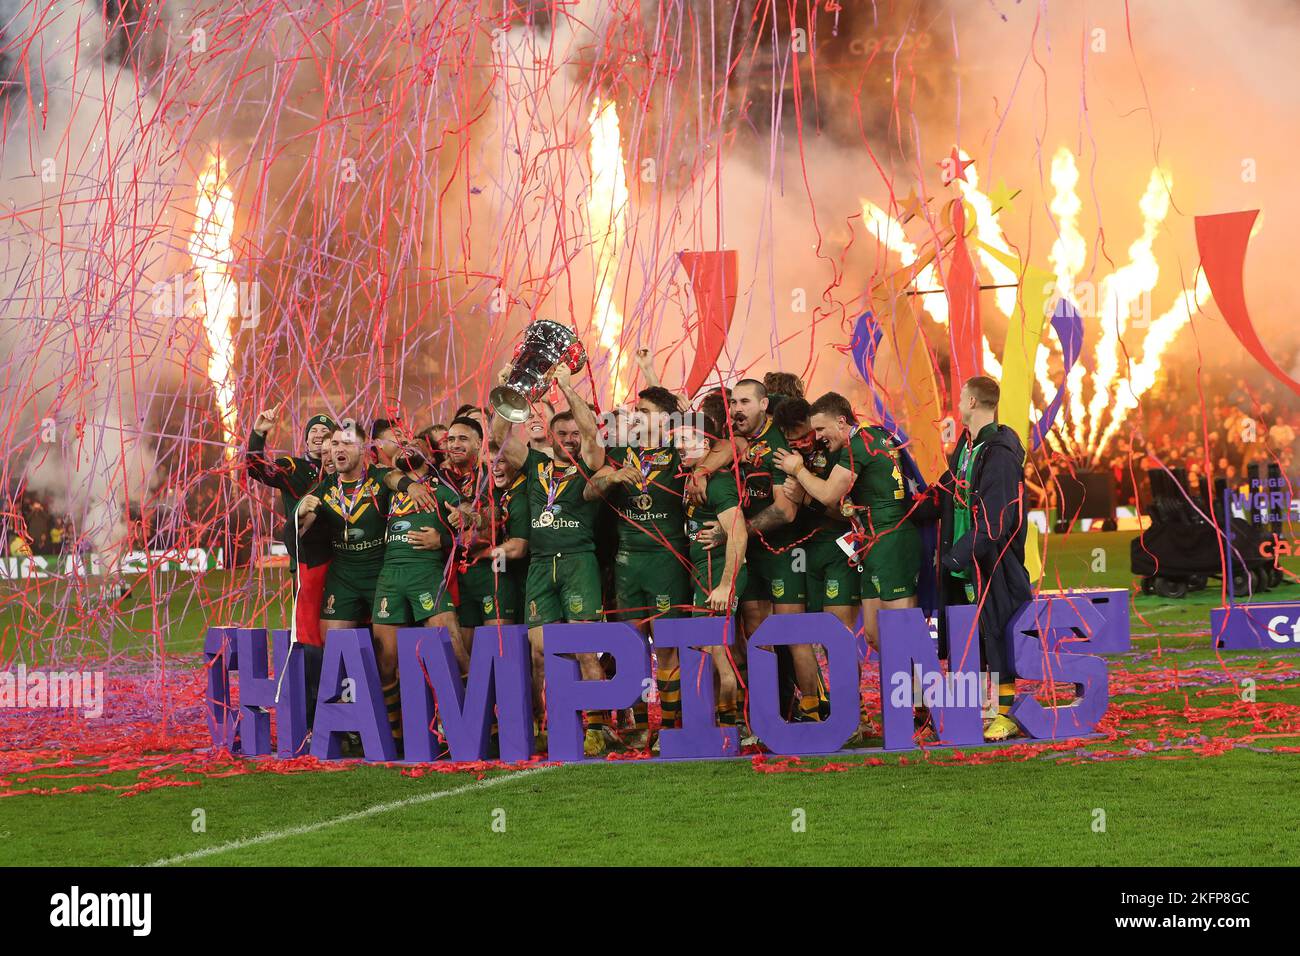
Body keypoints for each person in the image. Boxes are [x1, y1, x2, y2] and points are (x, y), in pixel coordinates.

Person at [583, 385, 730, 748]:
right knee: (631, 645)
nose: (635, 416)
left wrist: (703, 471)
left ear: (665, 419)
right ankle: (626, 718)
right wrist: (611, 477)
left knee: (666, 645)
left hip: (667, 560)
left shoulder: (679, 450)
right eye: (636, 410)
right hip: (626, 563)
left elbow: (728, 447)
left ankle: (666, 728)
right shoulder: (619, 452)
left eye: (644, 411)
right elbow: (589, 488)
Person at [492, 363, 610, 756]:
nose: (571, 439)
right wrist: (507, 391)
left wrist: (565, 386)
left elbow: (592, 431)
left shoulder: (589, 465)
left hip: (579, 561)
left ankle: (597, 727)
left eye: (574, 434)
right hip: (542, 564)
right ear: (552, 437)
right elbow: (498, 440)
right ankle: (548, 724)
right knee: (540, 649)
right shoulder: (537, 464)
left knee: (584, 647)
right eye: (563, 434)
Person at [913, 376, 1032, 742]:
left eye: (961, 397)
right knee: (971, 638)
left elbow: (997, 521)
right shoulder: (967, 448)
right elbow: (947, 493)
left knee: (996, 633)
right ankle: (978, 711)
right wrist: (901, 506)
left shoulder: (999, 453)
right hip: (965, 561)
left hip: (992, 562)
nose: (957, 403)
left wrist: (956, 556)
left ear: (975, 403)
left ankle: (1008, 714)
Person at [370, 433, 466, 753]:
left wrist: (444, 541)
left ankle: (478, 728)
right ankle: (395, 736)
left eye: (417, 444)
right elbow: (384, 471)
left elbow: (470, 535)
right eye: (405, 443)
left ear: (432, 456)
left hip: (426, 574)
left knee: (452, 648)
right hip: (389, 575)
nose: (408, 447)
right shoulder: (385, 484)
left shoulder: (444, 489)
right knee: (385, 659)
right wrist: (407, 484)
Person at [682, 416, 748, 729]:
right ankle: (720, 722)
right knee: (708, 648)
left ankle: (731, 724)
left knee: (716, 650)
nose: (681, 446)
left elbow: (739, 533)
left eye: (688, 439)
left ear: (708, 445)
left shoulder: (719, 482)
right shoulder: (692, 475)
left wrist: (726, 586)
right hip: (704, 572)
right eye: (678, 439)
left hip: (719, 573)